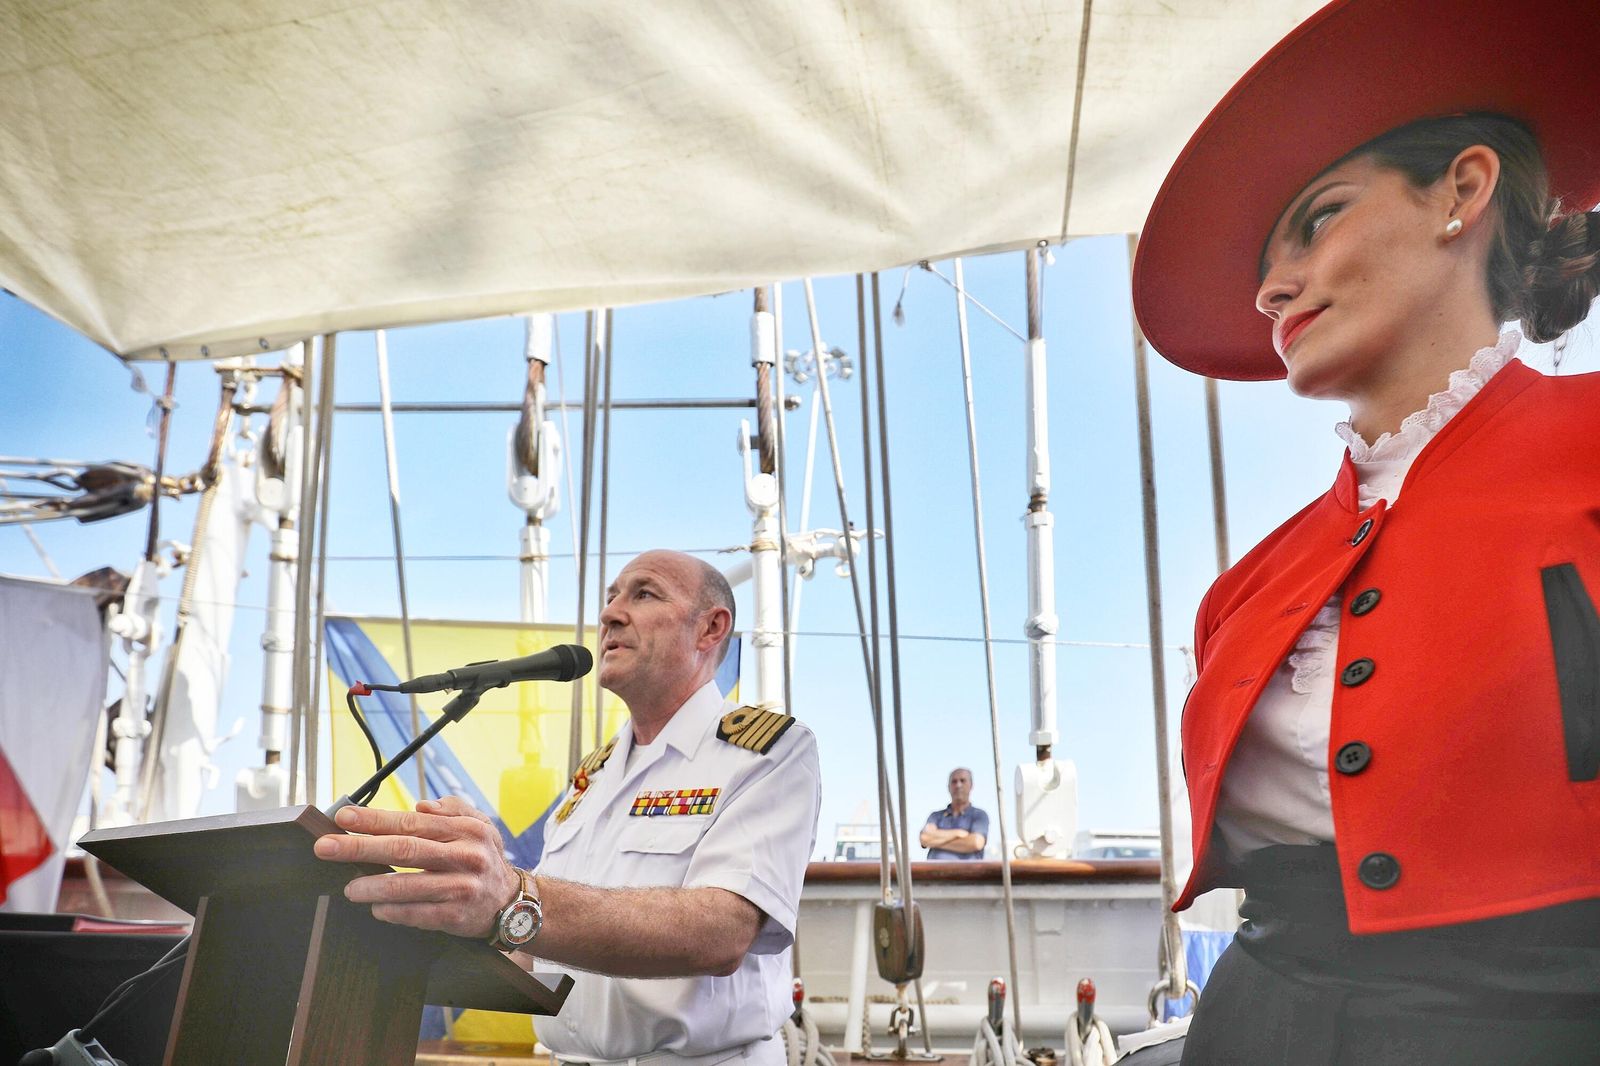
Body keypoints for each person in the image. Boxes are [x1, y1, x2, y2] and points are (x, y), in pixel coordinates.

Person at [1130, 0, 1600, 1062]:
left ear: (1462, 192)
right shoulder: (1247, 586)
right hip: (1255, 1023)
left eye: (1317, 219)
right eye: (1266, 261)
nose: (1269, 287)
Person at [314, 549, 822, 1066]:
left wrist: (512, 894)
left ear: (711, 628)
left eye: (643, 594)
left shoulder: (768, 753)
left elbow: (721, 933)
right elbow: (534, 942)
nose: (610, 614)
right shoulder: (594, 775)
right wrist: (434, 909)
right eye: (610, 598)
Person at [918, 767, 988, 860]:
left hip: (968, 873)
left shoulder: (979, 815)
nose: (958, 785)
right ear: (948, 787)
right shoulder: (935, 816)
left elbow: (976, 843)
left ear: (971, 785)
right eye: (954, 781)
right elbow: (925, 838)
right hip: (934, 873)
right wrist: (957, 833)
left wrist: (935, 841)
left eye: (962, 781)